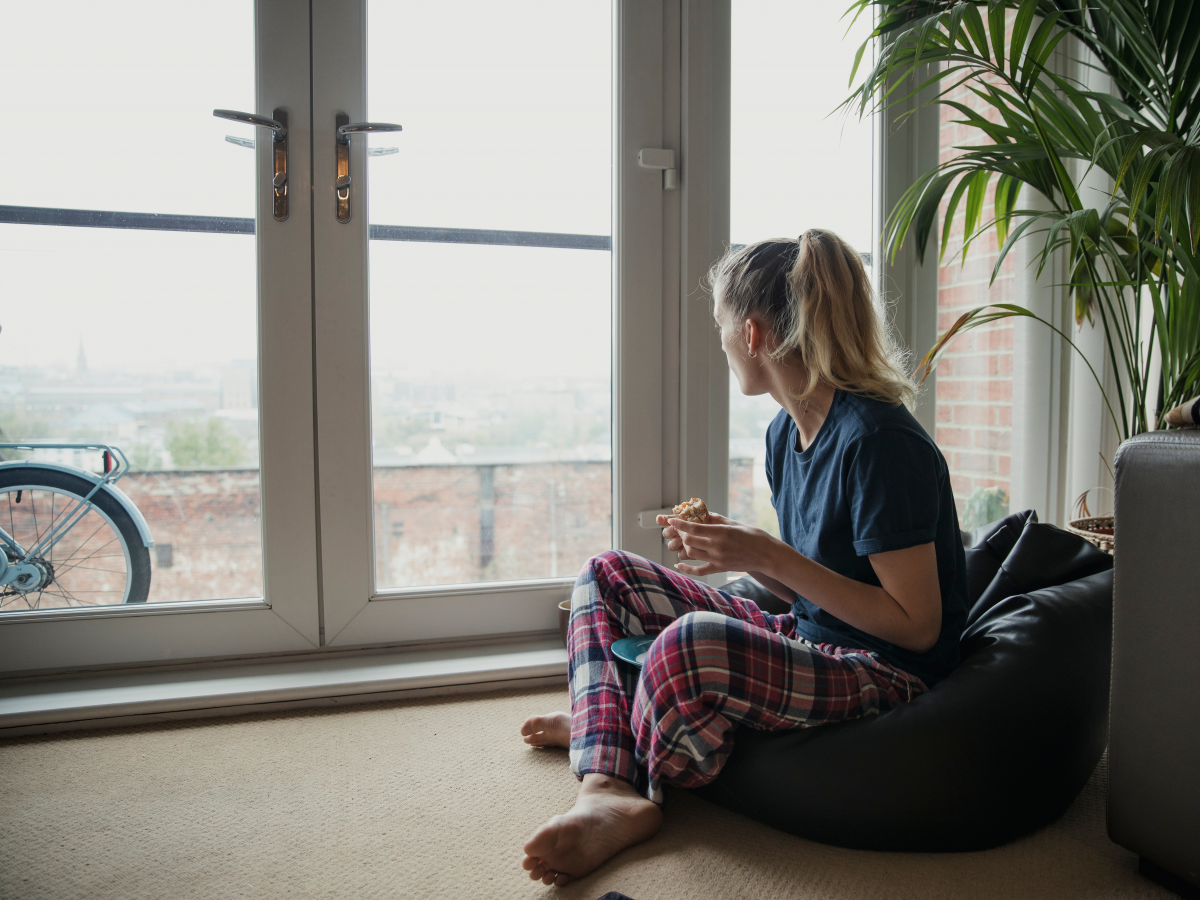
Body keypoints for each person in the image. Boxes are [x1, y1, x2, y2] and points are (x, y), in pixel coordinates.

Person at [518, 229, 968, 887]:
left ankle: (609, 738)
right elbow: (815, 593)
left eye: (722, 325)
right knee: (607, 575)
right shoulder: (786, 434)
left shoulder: (880, 444)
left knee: (688, 645)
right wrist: (746, 555)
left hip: (887, 672)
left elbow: (916, 627)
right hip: (812, 638)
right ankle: (608, 767)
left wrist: (770, 555)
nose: (723, 341)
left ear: (752, 333)